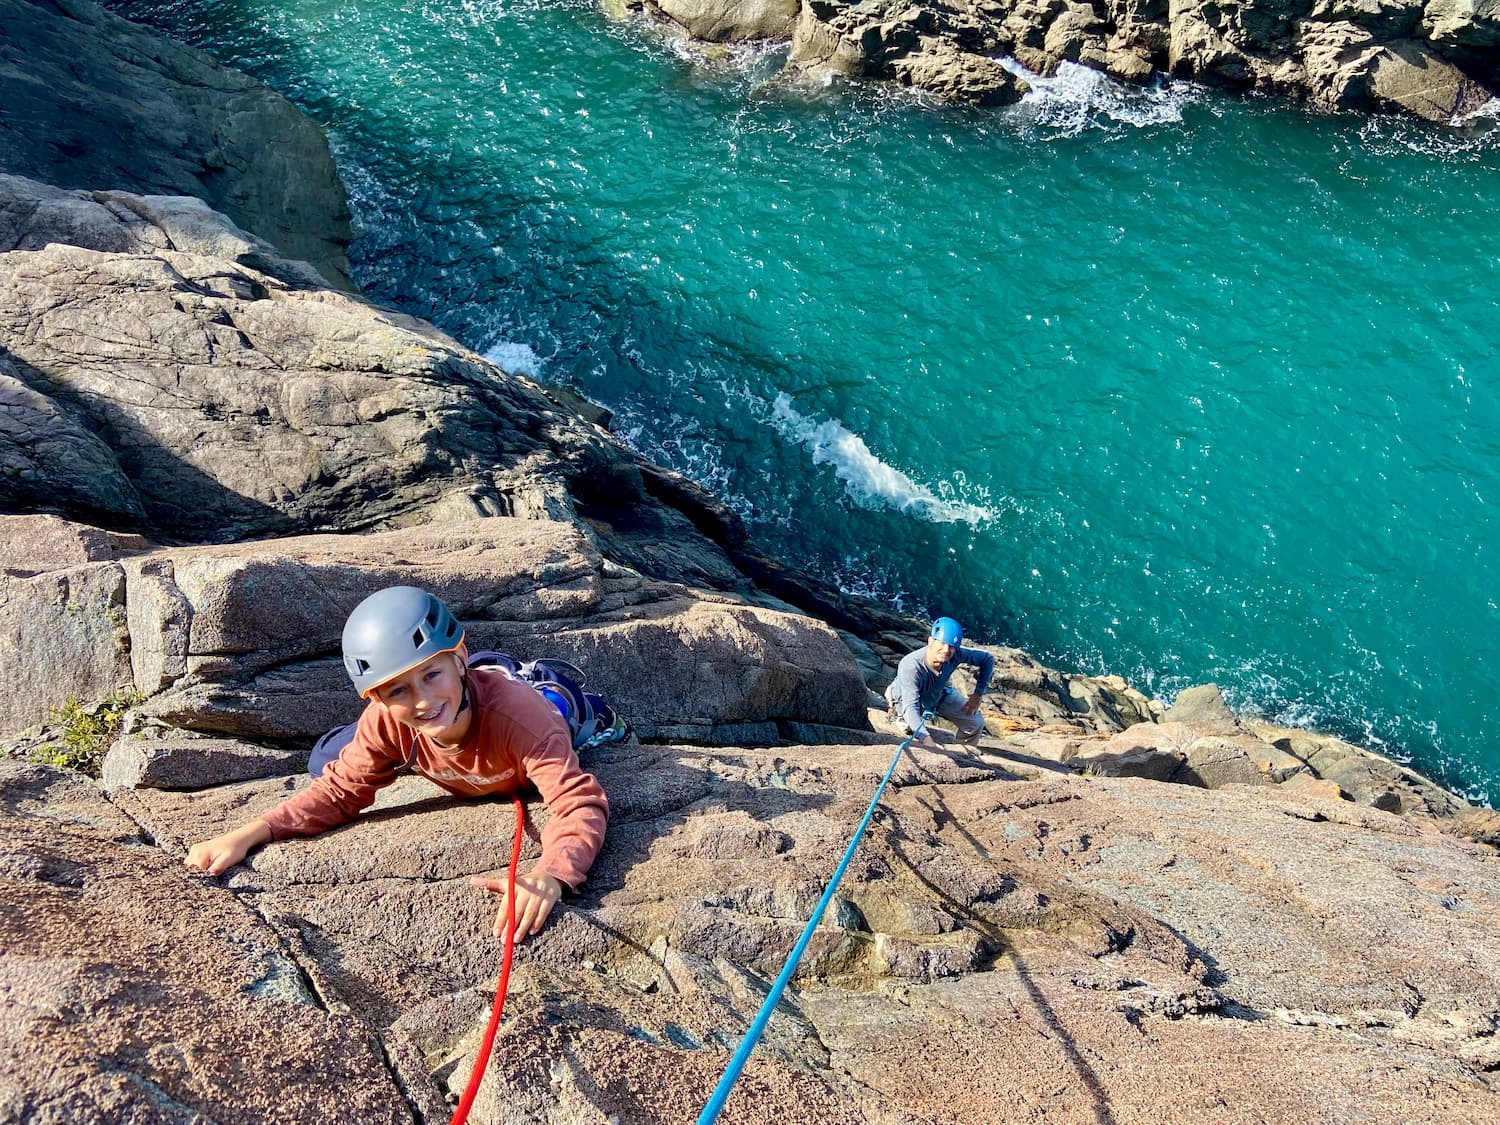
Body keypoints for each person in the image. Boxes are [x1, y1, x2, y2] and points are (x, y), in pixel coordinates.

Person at [185, 586, 608, 943]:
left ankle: (568, 696)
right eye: (397, 690)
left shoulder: (521, 721)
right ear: (375, 699)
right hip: (438, 717)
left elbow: (578, 803)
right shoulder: (385, 719)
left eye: (431, 675)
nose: (422, 700)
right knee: (324, 761)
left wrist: (551, 874)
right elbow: (338, 792)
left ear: (459, 655)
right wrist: (248, 834)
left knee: (558, 708)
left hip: (530, 708)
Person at [885, 616, 995, 749]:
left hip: (937, 693)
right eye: (942, 643)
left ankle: (961, 753)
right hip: (907, 699)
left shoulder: (955, 654)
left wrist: (978, 694)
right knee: (909, 726)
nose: (946, 650)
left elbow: (987, 659)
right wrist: (927, 739)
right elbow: (910, 706)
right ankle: (895, 701)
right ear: (930, 641)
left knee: (975, 723)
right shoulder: (911, 666)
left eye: (951, 646)